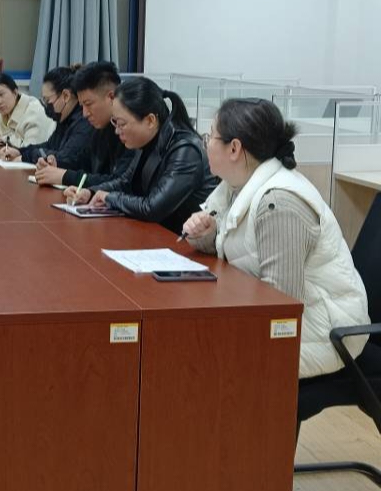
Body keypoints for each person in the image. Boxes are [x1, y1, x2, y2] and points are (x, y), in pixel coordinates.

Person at [181, 98, 369, 378]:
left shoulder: (279, 203)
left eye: (210, 136)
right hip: (291, 323)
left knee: (199, 356)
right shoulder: (236, 186)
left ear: (234, 148)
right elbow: (239, 250)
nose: (205, 143)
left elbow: (282, 307)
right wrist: (207, 236)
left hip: (321, 336)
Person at [68, 77, 217, 235]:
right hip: (156, 234)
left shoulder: (185, 150)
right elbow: (125, 182)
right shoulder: (148, 140)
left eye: (122, 124)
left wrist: (109, 198)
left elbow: (152, 208)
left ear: (150, 120)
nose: (117, 130)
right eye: (115, 122)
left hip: (183, 241)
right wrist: (91, 192)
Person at [34, 61, 135, 187]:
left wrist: (65, 176)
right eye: (82, 106)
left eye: (88, 104)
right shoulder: (99, 128)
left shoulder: (131, 131)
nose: (85, 114)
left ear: (111, 97)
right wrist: (56, 164)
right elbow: (82, 162)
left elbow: (119, 182)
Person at [0, 65, 94, 165]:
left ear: (66, 96)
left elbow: (66, 158)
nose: (46, 106)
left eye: (47, 100)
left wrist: (26, 156)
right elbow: (50, 145)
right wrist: (20, 151)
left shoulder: (84, 121)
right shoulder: (64, 119)